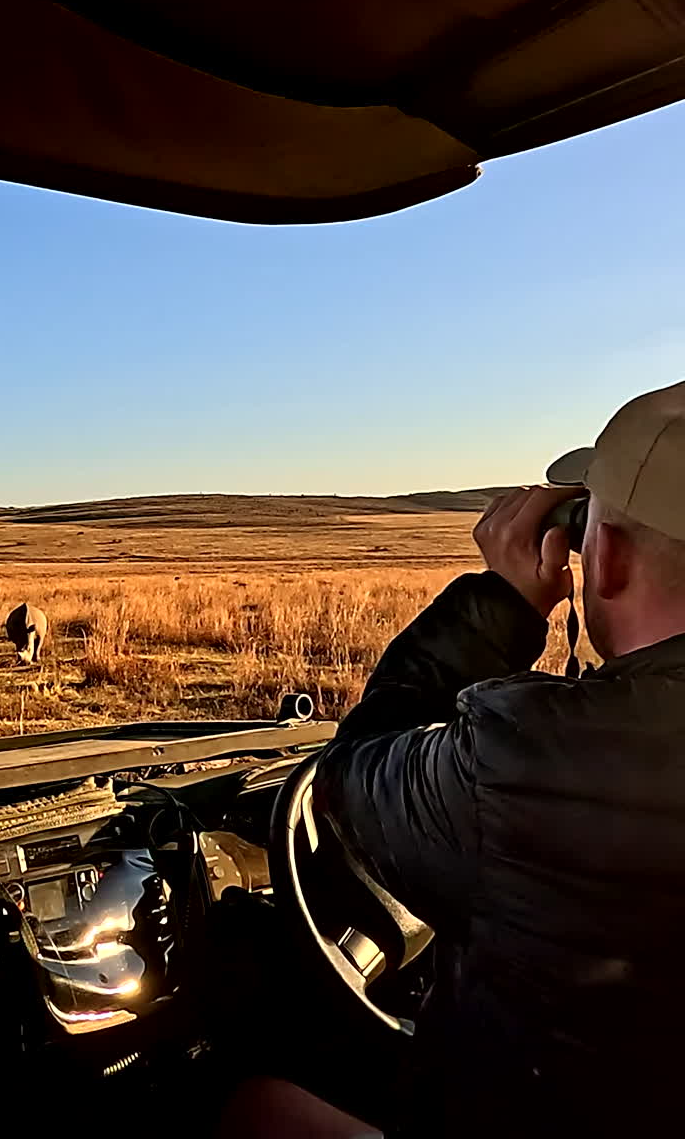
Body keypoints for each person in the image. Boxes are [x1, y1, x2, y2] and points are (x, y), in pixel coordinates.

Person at [221, 380, 685, 1136]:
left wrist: (501, 602)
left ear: (607, 559)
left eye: (587, 525)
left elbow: (352, 782)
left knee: (255, 1108)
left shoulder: (529, 759)